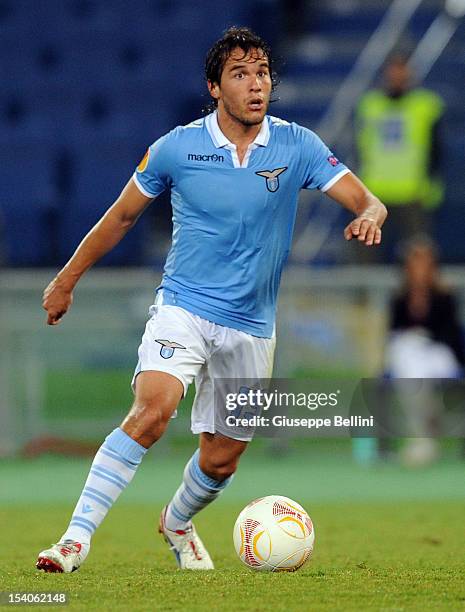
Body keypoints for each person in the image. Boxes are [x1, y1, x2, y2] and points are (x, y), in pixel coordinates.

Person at [36, 27, 387, 573]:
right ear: (215, 87)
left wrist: (368, 214)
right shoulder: (177, 147)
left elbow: (368, 199)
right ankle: (73, 541)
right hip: (185, 307)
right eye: (240, 74)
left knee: (221, 461)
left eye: (263, 73)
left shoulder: (299, 146)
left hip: (251, 325)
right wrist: (66, 279)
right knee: (153, 411)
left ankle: (176, 520)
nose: (255, 85)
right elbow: (122, 216)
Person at [355, 53, 444, 262]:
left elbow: (437, 150)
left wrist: (431, 187)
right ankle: (364, 295)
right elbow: (359, 147)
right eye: (393, 70)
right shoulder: (369, 105)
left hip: (413, 192)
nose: (397, 75)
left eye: (402, 69)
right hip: (374, 191)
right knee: (364, 253)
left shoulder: (427, 105)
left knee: (419, 255)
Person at [384, 236, 465, 466]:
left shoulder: (444, 296)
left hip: (438, 353)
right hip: (409, 355)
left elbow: (451, 334)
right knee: (408, 362)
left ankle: (425, 432)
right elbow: (393, 333)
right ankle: (422, 435)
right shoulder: (400, 298)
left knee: (422, 370)